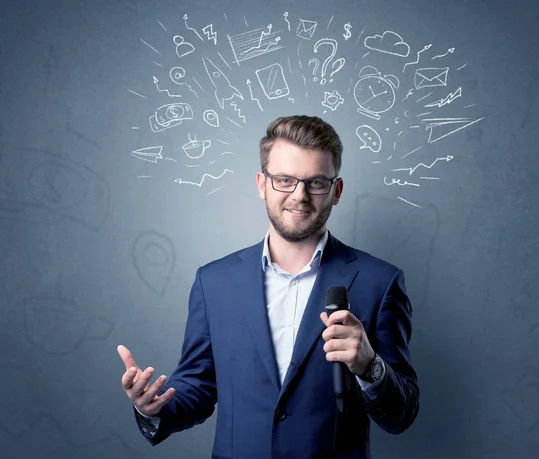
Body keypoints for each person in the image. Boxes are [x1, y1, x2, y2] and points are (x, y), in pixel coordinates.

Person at [117, 115, 419, 458]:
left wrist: (370, 366)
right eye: (285, 180)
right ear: (262, 184)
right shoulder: (214, 282)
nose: (299, 196)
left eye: (316, 182)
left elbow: (402, 414)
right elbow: (197, 389)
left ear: (336, 191)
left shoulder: (379, 282)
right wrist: (151, 407)